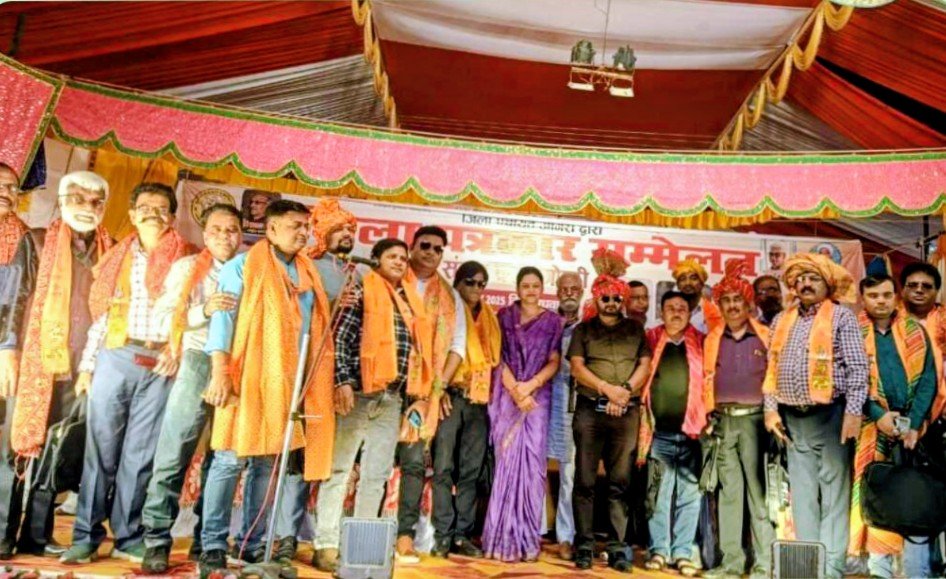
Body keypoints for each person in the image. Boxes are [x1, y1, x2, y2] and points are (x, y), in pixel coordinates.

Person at [60, 182, 194, 564]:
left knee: (141, 455)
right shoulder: (116, 257)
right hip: (116, 356)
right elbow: (102, 316)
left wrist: (177, 350)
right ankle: (85, 537)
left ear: (172, 217)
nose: (153, 213)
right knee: (99, 450)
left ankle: (128, 535)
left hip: (161, 364)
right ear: (133, 215)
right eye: (145, 207)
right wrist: (87, 366)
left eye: (161, 208)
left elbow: (194, 312)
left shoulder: (188, 259)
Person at [198, 200, 334, 574]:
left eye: (306, 226)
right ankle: (212, 545)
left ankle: (252, 544)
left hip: (288, 381)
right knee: (228, 459)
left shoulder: (307, 272)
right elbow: (223, 321)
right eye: (295, 225)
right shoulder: (242, 266)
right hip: (244, 376)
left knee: (267, 462)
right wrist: (219, 372)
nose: (303, 232)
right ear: (271, 229)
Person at [312, 238, 432, 573]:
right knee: (339, 470)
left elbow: (416, 355)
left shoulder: (410, 302)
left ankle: (359, 548)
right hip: (359, 392)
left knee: (376, 476)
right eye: (392, 256)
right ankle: (326, 545)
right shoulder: (362, 289)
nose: (399, 262)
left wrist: (416, 398)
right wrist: (343, 382)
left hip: (392, 398)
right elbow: (341, 339)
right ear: (376, 259)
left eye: (403, 258)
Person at [139, 204, 242, 572]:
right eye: (217, 230)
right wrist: (205, 311)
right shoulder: (187, 268)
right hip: (197, 359)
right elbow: (162, 318)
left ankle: (207, 541)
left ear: (241, 234)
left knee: (224, 458)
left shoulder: (247, 270)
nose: (224, 236)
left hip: (237, 366)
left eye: (232, 230)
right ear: (205, 234)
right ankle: (156, 541)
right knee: (173, 453)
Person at [762, 253, 868, 578]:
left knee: (834, 494)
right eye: (801, 279)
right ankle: (808, 569)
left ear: (827, 284)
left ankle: (831, 569)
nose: (806, 284)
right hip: (793, 420)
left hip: (832, 417)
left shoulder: (841, 316)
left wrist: (853, 413)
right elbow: (771, 369)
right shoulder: (781, 320)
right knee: (803, 495)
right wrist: (770, 409)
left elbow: (858, 368)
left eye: (814, 278)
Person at [5, 168, 88, 558]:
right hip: (31, 363)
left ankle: (36, 536)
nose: (86, 207)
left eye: (95, 201)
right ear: (62, 202)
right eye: (77, 199)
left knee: (56, 449)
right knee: (16, 448)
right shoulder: (36, 240)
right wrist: (8, 349)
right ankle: (3, 534)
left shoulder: (109, 249)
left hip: (76, 367)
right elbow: (16, 297)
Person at [848, 273, 942, 579]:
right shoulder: (853, 332)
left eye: (887, 295)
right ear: (863, 299)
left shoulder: (914, 330)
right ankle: (880, 570)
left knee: (914, 495)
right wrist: (877, 414)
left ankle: (917, 572)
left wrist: (913, 423)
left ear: (895, 296)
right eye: (873, 295)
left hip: (915, 429)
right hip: (871, 427)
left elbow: (929, 379)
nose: (881, 301)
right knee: (878, 494)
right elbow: (849, 379)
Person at [568, 250, 651, 572]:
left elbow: (644, 365)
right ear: (597, 298)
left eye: (618, 298)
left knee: (620, 483)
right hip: (590, 411)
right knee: (585, 481)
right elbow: (577, 368)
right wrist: (607, 389)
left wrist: (625, 392)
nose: (612, 303)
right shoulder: (583, 330)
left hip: (626, 413)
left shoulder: (635, 330)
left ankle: (618, 549)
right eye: (606, 298)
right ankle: (584, 546)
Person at [396, 226, 467, 563]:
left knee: (412, 463)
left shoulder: (450, 297)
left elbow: (457, 348)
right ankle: (353, 529)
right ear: (412, 247)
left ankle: (404, 535)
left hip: (423, 393)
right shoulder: (392, 280)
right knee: (371, 460)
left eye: (438, 249)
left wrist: (437, 389)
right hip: (383, 384)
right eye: (425, 245)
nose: (431, 252)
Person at [482, 267, 562, 562]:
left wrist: (531, 385)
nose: (530, 291)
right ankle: (500, 539)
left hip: (537, 400)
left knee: (531, 470)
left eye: (535, 286)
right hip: (508, 397)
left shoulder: (553, 321)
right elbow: (497, 358)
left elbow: (555, 360)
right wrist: (516, 389)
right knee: (506, 466)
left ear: (542, 289)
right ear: (517, 289)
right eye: (525, 285)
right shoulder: (503, 317)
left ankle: (527, 541)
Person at [702, 260, 774, 579]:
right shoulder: (712, 339)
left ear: (749, 304)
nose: (732, 306)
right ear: (719, 306)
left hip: (756, 422)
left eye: (738, 300)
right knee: (729, 494)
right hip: (723, 422)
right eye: (726, 301)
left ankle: (764, 564)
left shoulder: (766, 336)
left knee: (759, 495)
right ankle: (731, 563)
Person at [430, 261, 501, 558]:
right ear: (457, 284)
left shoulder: (491, 317)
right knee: (444, 467)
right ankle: (442, 535)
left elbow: (494, 360)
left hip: (479, 402)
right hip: (451, 397)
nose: (476, 288)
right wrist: (440, 389)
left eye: (481, 283)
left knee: (471, 471)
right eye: (470, 282)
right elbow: (434, 352)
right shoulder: (445, 312)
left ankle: (462, 534)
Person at [639, 291, 706, 577]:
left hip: (692, 434)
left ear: (689, 313)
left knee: (689, 497)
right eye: (670, 308)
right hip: (658, 434)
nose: (676, 312)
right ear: (661, 312)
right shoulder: (651, 339)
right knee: (658, 495)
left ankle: (682, 552)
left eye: (682, 308)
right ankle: (659, 550)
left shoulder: (702, 342)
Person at [548, 271, 582, 561]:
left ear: (581, 293)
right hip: (545, 406)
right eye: (564, 289)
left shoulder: (590, 326)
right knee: (534, 470)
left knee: (571, 474)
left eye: (574, 289)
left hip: (576, 407)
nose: (569, 293)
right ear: (557, 292)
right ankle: (532, 532)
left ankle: (569, 536)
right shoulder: (547, 324)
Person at [308, 197, 360, 304]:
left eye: (350, 229)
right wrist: (334, 305)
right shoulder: (309, 266)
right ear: (324, 236)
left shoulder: (356, 273)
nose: (347, 234)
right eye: (338, 229)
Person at [672, 258, 722, 334]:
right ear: (678, 285)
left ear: (702, 284)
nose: (688, 283)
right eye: (683, 279)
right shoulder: (670, 311)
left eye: (693, 278)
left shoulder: (714, 313)